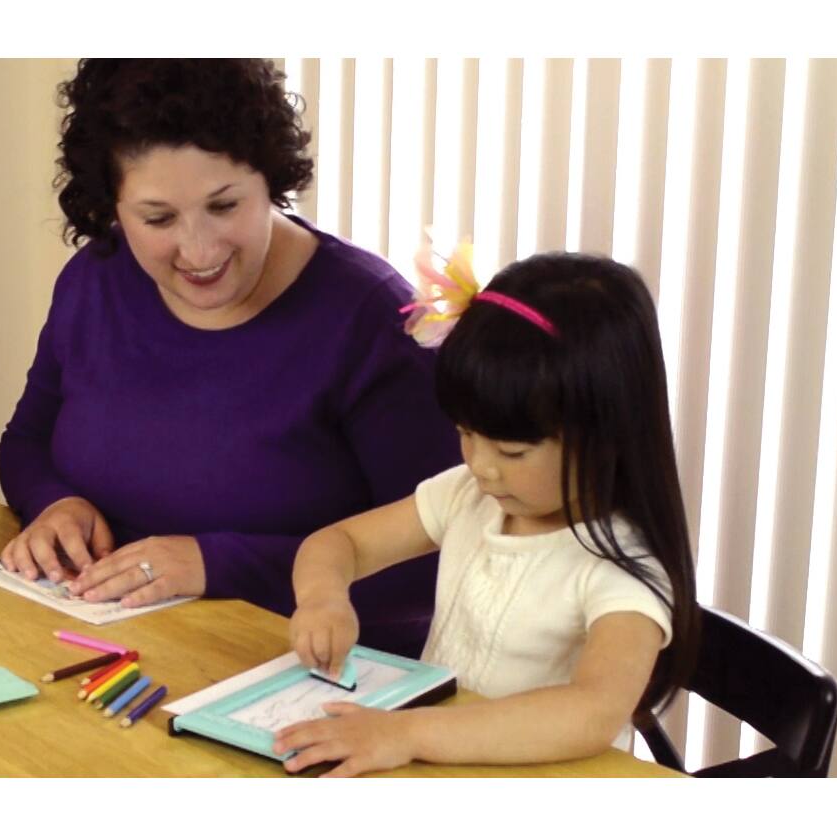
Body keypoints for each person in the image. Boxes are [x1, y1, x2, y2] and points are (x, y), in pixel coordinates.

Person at [0, 59, 460, 657]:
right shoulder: (96, 280)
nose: (199, 250)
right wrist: (53, 503)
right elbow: (26, 442)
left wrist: (216, 565)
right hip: (113, 643)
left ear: (270, 178)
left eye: (224, 207)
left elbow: (443, 558)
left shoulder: (370, 320)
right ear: (112, 205)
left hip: (307, 670)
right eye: (158, 218)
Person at [275, 246, 699, 776]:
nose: (480, 465)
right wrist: (323, 599)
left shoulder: (622, 568)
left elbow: (592, 711)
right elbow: (340, 543)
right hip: (438, 767)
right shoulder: (469, 498)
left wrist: (407, 733)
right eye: (465, 433)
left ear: (606, 436)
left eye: (512, 452)